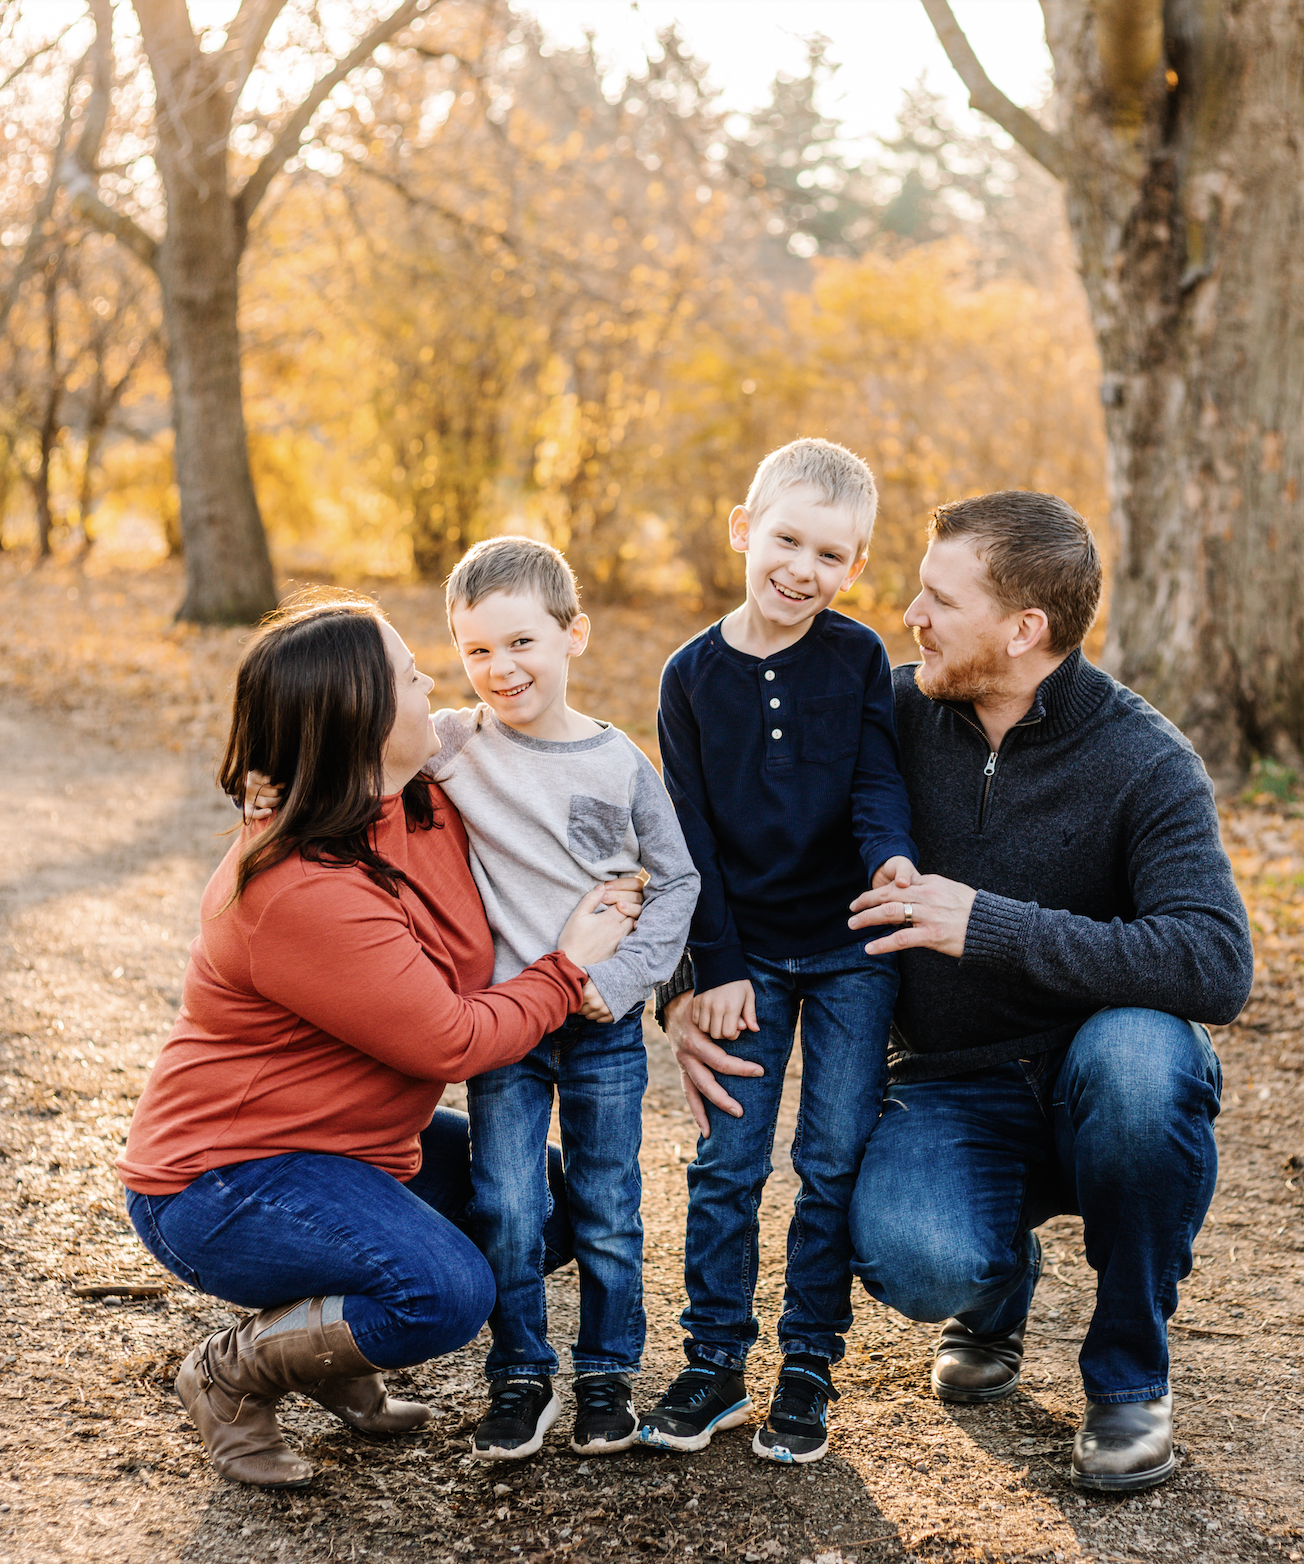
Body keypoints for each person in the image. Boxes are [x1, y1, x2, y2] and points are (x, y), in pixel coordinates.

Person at [672, 491, 1253, 1493]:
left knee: (1145, 1062)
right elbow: (733, 831)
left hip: (1090, 1085)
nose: (911, 614)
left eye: (940, 598)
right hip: (946, 1082)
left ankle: (1127, 1379)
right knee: (910, 1256)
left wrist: (982, 922)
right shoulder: (887, 711)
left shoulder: (1144, 761)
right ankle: (993, 1288)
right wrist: (687, 988)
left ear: (1023, 629)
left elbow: (1213, 960)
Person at [115, 597, 642, 1490]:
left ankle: (330, 1346)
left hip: (351, 1153)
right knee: (446, 1293)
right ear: (359, 720)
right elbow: (451, 1039)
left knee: (546, 1208)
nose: (432, 682)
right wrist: (567, 968)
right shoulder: (293, 888)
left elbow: (524, 761)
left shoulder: (419, 795)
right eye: (408, 674)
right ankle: (232, 1373)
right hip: (223, 1181)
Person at [643, 438, 919, 1465]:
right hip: (744, 959)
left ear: (858, 566)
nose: (803, 567)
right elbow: (687, 837)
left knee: (831, 1158)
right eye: (787, 538)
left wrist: (891, 859)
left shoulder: (856, 661)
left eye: (832, 553)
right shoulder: (688, 676)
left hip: (853, 951)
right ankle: (713, 1356)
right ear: (741, 529)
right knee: (727, 1162)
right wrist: (711, 967)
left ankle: (808, 1362)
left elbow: (874, 785)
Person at [428, 537, 698, 1461]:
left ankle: (607, 1373)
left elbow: (677, 884)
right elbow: (359, 755)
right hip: (506, 1021)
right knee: (507, 1201)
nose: (500, 669)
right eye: (476, 651)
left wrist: (617, 982)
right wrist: (269, 786)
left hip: (604, 1030)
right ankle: (520, 1373)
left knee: (607, 1198)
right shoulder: (456, 745)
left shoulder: (619, 765)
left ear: (573, 635)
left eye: (521, 643)